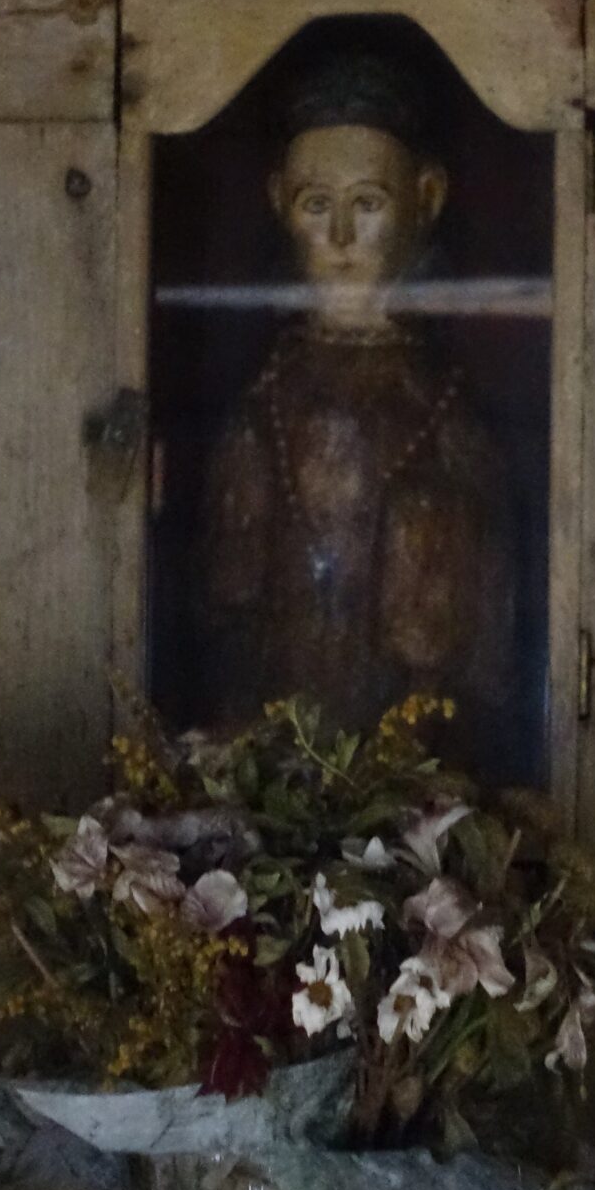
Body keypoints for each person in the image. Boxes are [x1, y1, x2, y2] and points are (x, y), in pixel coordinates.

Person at [197, 43, 516, 767]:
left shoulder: (452, 423)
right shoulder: (258, 416)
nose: (340, 238)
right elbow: (223, 636)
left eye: (367, 203)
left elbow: (485, 670)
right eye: (317, 204)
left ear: (426, 198)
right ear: (278, 200)